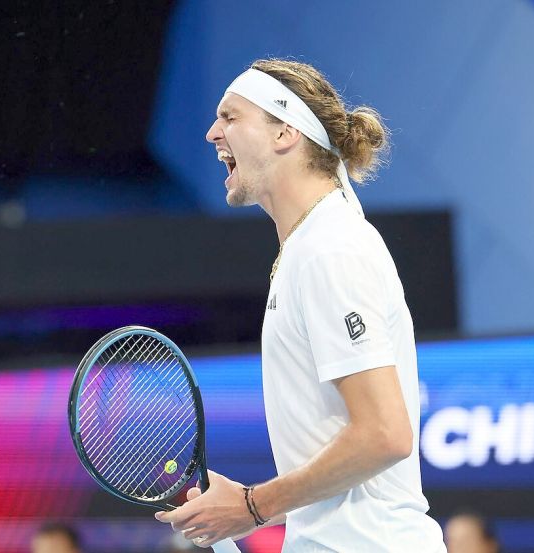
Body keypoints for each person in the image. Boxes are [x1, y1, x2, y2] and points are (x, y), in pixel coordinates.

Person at [155, 58, 446, 551]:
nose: (211, 133)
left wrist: (253, 505)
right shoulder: (312, 246)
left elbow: (385, 433)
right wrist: (249, 511)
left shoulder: (328, 248)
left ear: (284, 132)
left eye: (230, 117)